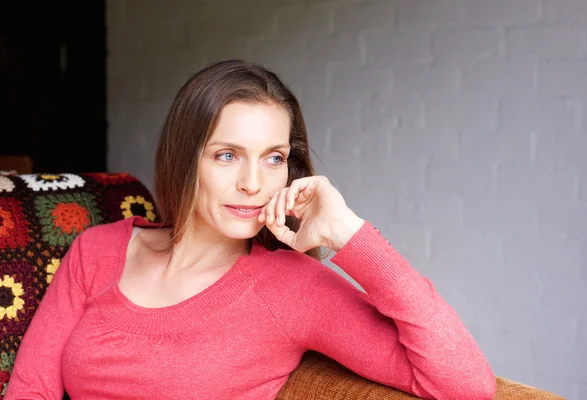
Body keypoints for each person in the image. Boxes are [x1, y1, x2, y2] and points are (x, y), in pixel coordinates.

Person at [6, 59, 496, 400]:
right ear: (184, 158)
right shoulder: (98, 249)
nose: (252, 183)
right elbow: (32, 389)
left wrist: (349, 233)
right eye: (226, 155)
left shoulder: (293, 287)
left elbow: (464, 384)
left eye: (274, 159)